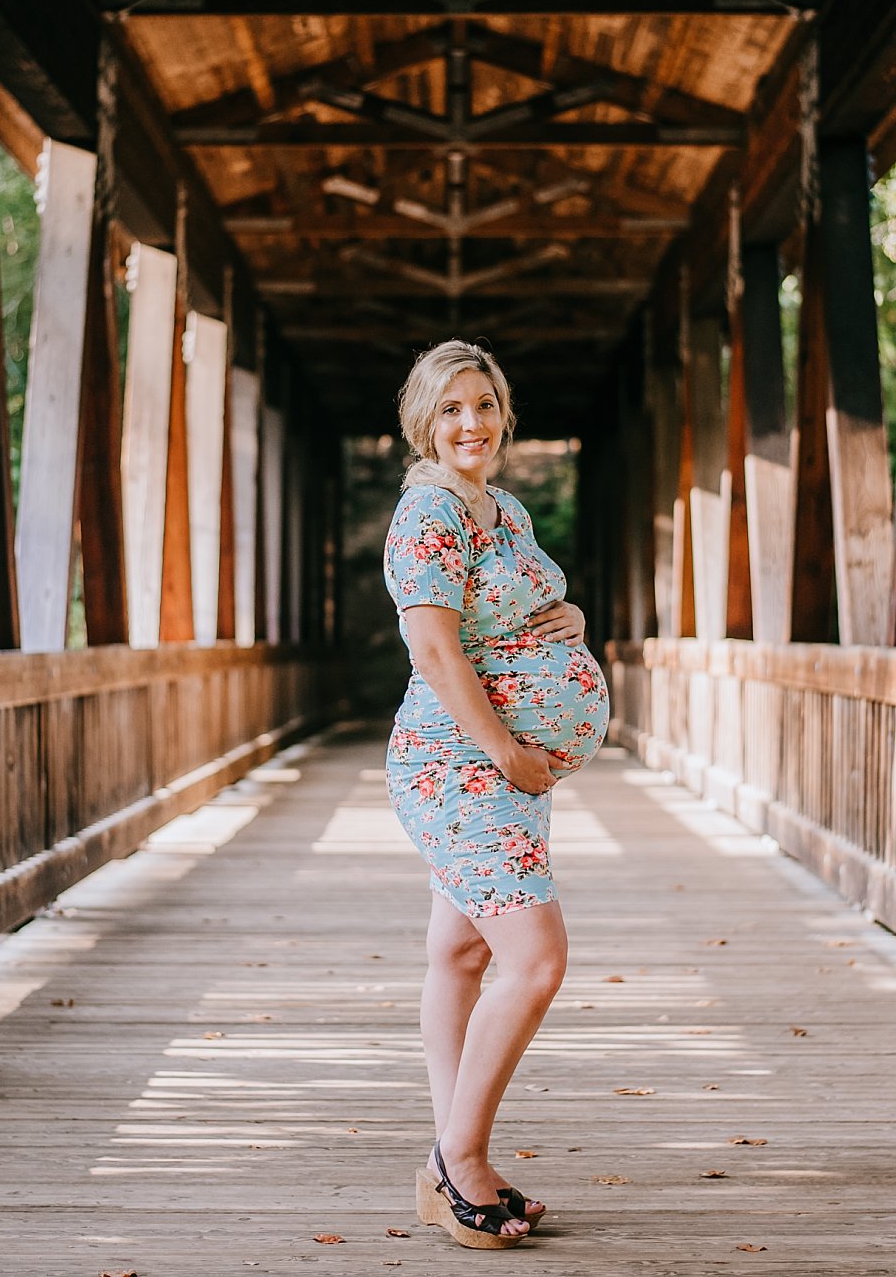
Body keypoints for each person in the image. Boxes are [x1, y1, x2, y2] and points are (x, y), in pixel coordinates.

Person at [381, 340, 611, 1249]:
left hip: (500, 771)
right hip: (463, 768)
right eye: (450, 410)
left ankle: (450, 1154)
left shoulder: (501, 508)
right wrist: (506, 749)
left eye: (483, 405)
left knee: (462, 956)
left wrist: (575, 621)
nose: (469, 424)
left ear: (503, 413)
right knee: (536, 960)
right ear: (423, 423)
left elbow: (514, 612)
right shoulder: (429, 513)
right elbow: (434, 650)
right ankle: (461, 1161)